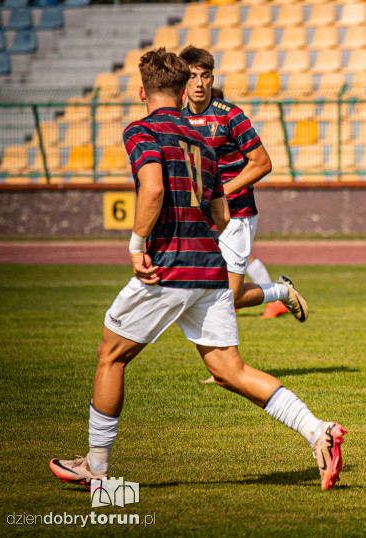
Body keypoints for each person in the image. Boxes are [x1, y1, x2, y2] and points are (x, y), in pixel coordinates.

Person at [49, 49, 345, 491]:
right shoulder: (204, 139)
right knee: (231, 371)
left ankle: (95, 465)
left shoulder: (142, 129)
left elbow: (151, 188)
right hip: (209, 267)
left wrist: (136, 245)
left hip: (170, 267)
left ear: (143, 91)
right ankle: (316, 430)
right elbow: (221, 212)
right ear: (182, 87)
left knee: (110, 355)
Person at [178, 46, 307, 322]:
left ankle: (281, 292)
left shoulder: (230, 115)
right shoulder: (179, 119)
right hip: (201, 216)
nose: (199, 83)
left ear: (212, 78)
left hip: (237, 213)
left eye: (205, 76)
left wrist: (221, 191)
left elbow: (262, 163)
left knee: (231, 297)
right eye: (192, 76)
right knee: (192, 286)